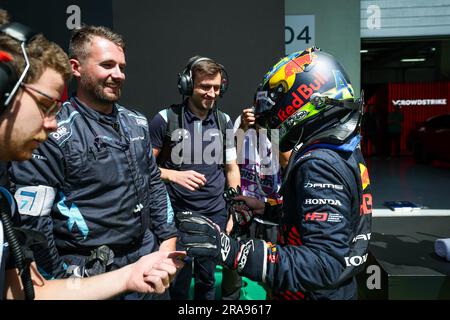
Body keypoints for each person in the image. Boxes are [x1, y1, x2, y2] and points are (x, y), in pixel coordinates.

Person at [0, 13, 183, 300]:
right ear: (76, 67)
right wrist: (64, 281)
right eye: (107, 65)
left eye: (122, 67)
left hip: (148, 262)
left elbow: (155, 184)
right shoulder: (52, 132)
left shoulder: (137, 121)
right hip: (90, 273)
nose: (118, 74)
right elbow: (35, 222)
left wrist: (167, 240)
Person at [177, 47, 373, 300]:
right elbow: (330, 221)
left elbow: (325, 265)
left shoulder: (319, 163)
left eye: (281, 99)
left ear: (304, 95)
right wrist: (268, 210)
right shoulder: (343, 147)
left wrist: (232, 251)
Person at [149, 56, 240, 300]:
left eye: (217, 88)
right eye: (205, 87)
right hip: (177, 215)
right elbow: (143, 169)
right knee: (176, 283)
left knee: (207, 280)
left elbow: (231, 168)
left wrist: (235, 209)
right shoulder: (165, 119)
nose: (212, 93)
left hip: (214, 214)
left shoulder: (224, 121)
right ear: (188, 85)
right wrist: (174, 175)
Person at [221, 107, 284, 300]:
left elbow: (287, 160)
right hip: (244, 210)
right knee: (232, 271)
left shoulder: (279, 130)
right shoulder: (241, 126)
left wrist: (272, 128)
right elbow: (230, 158)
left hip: (271, 212)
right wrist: (243, 127)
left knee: (275, 275)